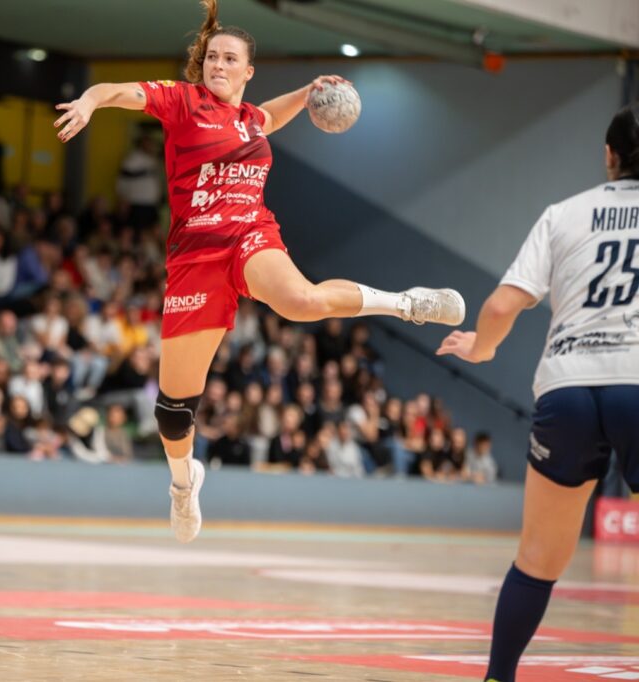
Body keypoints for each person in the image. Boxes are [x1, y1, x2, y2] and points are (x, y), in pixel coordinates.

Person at [54, 0, 464, 543]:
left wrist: (310, 90)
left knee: (303, 302)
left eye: (230, 60)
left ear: (248, 71)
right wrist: (89, 101)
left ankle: (406, 304)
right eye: (213, 58)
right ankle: (183, 483)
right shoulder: (183, 102)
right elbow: (116, 91)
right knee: (174, 411)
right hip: (195, 256)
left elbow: (268, 115)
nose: (218, 66)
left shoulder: (251, 120)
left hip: (250, 235)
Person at [436, 102, 639, 682]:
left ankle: (498, 678)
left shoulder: (566, 214)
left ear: (609, 156)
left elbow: (502, 305)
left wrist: (481, 348)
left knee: (539, 560)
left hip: (568, 388)